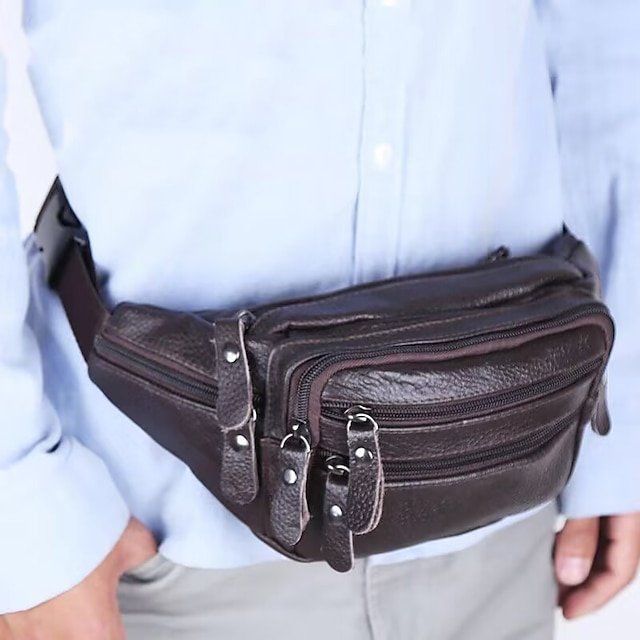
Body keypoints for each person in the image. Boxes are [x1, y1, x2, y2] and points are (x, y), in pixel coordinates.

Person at [1, 2, 639, 639]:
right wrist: (26, 532)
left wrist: (620, 429)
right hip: (159, 540)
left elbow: (602, 29)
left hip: (512, 504)